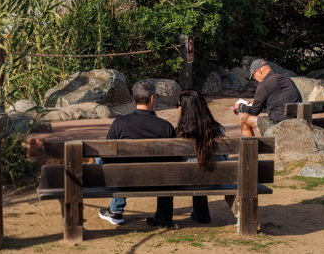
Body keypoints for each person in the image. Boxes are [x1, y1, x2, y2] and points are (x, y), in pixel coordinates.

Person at [99, 80, 177, 228]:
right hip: (157, 181)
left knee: (105, 160)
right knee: (168, 168)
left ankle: (116, 210)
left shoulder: (119, 123)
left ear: (134, 98)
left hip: (126, 180)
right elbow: (174, 160)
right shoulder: (165, 127)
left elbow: (106, 155)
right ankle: (163, 217)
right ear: (152, 98)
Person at [176, 89, 225, 224]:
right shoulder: (217, 129)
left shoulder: (179, 133)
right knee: (202, 166)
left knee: (193, 169)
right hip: (215, 180)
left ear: (184, 108)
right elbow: (224, 156)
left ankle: (199, 213)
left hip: (185, 182)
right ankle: (201, 214)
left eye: (178, 105)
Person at [232, 59, 302, 136]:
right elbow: (278, 104)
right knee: (266, 116)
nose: (255, 79)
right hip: (297, 123)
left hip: (280, 127)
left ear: (259, 71)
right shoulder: (286, 79)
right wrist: (256, 105)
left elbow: (253, 112)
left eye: (254, 76)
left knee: (243, 118)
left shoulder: (263, 85)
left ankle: (249, 147)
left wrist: (240, 106)